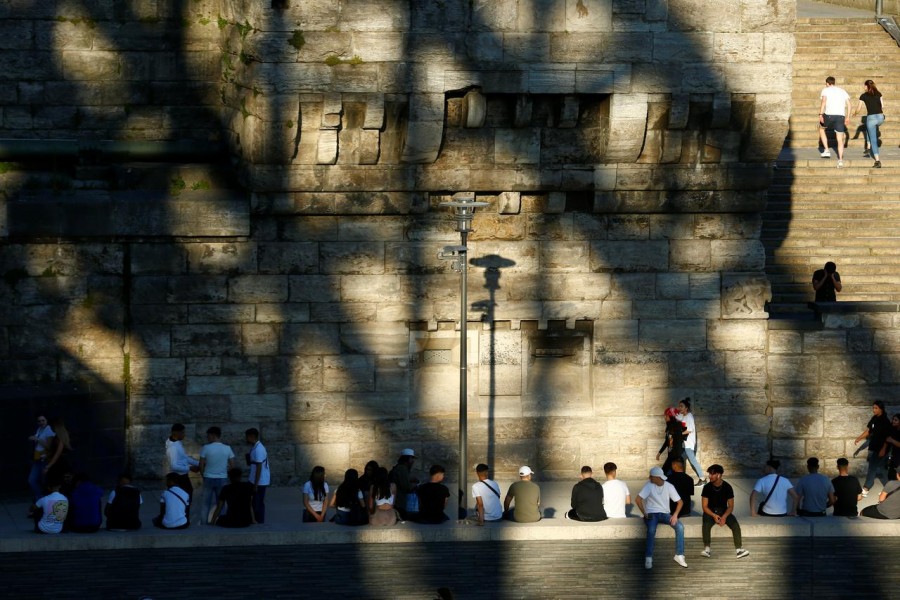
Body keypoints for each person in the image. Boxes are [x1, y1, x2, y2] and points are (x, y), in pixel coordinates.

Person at [635, 467, 687, 569]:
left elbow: (680, 502)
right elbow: (638, 499)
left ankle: (679, 555)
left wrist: (675, 515)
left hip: (665, 514)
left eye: (651, 476)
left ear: (657, 477)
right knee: (651, 530)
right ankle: (648, 557)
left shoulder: (669, 486)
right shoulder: (648, 485)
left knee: (680, 526)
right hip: (651, 513)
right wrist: (644, 513)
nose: (649, 477)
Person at [700, 464, 750, 559]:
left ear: (719, 475)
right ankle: (707, 549)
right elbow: (704, 507)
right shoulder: (707, 487)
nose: (709, 476)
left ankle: (739, 550)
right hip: (710, 511)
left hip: (724, 511)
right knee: (706, 523)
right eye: (709, 474)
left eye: (712, 474)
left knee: (735, 525)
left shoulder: (727, 487)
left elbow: (731, 506)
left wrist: (724, 516)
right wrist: (714, 515)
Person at [855, 401, 892, 497]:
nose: (874, 410)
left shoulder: (885, 421)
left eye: (876, 408)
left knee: (872, 468)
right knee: (883, 471)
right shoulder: (874, 419)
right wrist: (859, 438)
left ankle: (866, 488)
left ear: (881, 409)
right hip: (874, 448)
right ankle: (890, 490)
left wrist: (883, 449)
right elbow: (869, 431)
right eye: (873, 408)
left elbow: (888, 437)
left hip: (881, 449)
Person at [199, 426, 235, 524]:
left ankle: (203, 524)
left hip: (208, 478)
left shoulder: (205, 448)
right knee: (221, 503)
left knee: (205, 504)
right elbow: (232, 466)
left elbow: (201, 465)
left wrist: (204, 475)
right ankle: (219, 522)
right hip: (222, 479)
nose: (207, 438)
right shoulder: (227, 448)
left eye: (208, 436)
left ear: (213, 435)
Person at [818, 75, 851, 167]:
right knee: (840, 139)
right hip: (841, 116)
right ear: (834, 82)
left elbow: (823, 102)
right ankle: (840, 160)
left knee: (821, 129)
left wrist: (820, 114)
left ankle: (827, 150)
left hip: (829, 115)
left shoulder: (825, 90)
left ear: (827, 83)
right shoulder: (842, 91)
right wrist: (847, 117)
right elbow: (849, 104)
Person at [851, 79, 885, 168]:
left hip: (871, 118)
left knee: (873, 140)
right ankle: (870, 139)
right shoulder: (879, 93)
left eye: (864, 86)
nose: (863, 87)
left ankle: (877, 161)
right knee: (871, 128)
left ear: (866, 86)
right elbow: (882, 106)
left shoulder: (863, 96)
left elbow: (858, 109)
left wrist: (854, 113)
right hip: (881, 117)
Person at [165, 423, 199, 510]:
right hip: (178, 477)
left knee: (187, 495)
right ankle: (183, 516)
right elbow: (174, 466)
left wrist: (198, 463)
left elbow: (184, 457)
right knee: (184, 497)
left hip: (182, 475)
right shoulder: (173, 448)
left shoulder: (177, 443)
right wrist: (190, 468)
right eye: (182, 432)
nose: (184, 434)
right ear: (175, 433)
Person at [27, 414, 55, 502]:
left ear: (46, 420)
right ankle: (40, 498)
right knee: (32, 480)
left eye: (43, 420)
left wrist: (37, 439)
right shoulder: (39, 429)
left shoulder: (49, 430)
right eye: (39, 421)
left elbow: (49, 446)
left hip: (44, 459)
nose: (41, 422)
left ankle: (45, 500)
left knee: (44, 481)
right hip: (37, 458)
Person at [245, 428, 270, 524]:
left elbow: (259, 467)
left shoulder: (259, 449)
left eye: (247, 437)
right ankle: (255, 520)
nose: (246, 439)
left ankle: (259, 522)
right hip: (255, 480)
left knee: (257, 503)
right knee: (255, 502)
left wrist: (255, 484)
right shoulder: (256, 447)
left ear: (252, 437)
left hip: (259, 482)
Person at [678, 398, 705, 485]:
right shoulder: (684, 416)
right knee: (680, 459)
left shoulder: (689, 416)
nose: (680, 408)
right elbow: (678, 417)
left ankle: (703, 479)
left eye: (681, 406)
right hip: (685, 444)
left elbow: (689, 430)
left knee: (693, 461)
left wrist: (679, 434)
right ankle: (681, 477)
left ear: (686, 408)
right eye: (679, 406)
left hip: (688, 444)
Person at [389, 448, 417, 520]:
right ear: (407, 458)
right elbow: (406, 487)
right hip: (399, 503)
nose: (413, 461)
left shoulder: (400, 467)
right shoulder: (402, 468)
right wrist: (415, 485)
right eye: (412, 458)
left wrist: (410, 479)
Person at [43, 417, 73, 485]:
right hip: (62, 462)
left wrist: (48, 466)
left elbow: (57, 454)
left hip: (59, 463)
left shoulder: (59, 438)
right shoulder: (62, 437)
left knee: (56, 481)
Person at [656, 407, 685, 476]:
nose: (665, 417)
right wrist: (660, 452)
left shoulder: (677, 426)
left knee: (665, 473)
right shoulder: (669, 427)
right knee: (666, 473)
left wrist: (677, 458)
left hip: (675, 457)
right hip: (670, 456)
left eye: (666, 415)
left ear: (671, 416)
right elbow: (667, 441)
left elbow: (679, 442)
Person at [884, 414, 900, 480]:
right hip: (894, 457)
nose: (893, 421)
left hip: (899, 458)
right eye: (893, 419)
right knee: (891, 476)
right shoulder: (894, 429)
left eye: (896, 420)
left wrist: (891, 440)